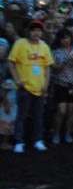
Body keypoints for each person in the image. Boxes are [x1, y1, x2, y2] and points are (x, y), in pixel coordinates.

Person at [8, 19, 54, 153]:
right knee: (21, 115)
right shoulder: (20, 44)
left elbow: (47, 68)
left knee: (38, 116)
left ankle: (38, 140)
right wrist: (17, 80)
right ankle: (19, 141)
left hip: (39, 88)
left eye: (38, 30)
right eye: (33, 30)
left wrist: (46, 84)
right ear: (29, 31)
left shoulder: (44, 46)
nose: (36, 33)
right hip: (24, 87)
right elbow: (11, 62)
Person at [50, 28, 73, 145]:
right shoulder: (55, 52)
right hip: (61, 83)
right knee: (61, 110)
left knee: (71, 111)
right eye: (63, 38)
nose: (65, 40)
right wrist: (66, 61)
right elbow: (56, 69)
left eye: (67, 38)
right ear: (59, 40)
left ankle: (68, 133)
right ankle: (56, 133)